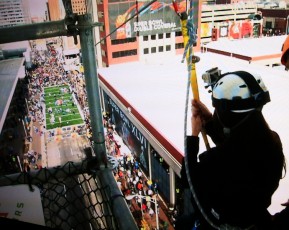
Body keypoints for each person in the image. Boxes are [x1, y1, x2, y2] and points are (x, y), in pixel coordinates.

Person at [176, 70, 287, 229]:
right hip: (255, 218)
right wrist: (210, 123)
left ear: (224, 114)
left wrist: (194, 135)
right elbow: (238, 145)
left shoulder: (216, 161)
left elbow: (189, 179)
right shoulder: (273, 143)